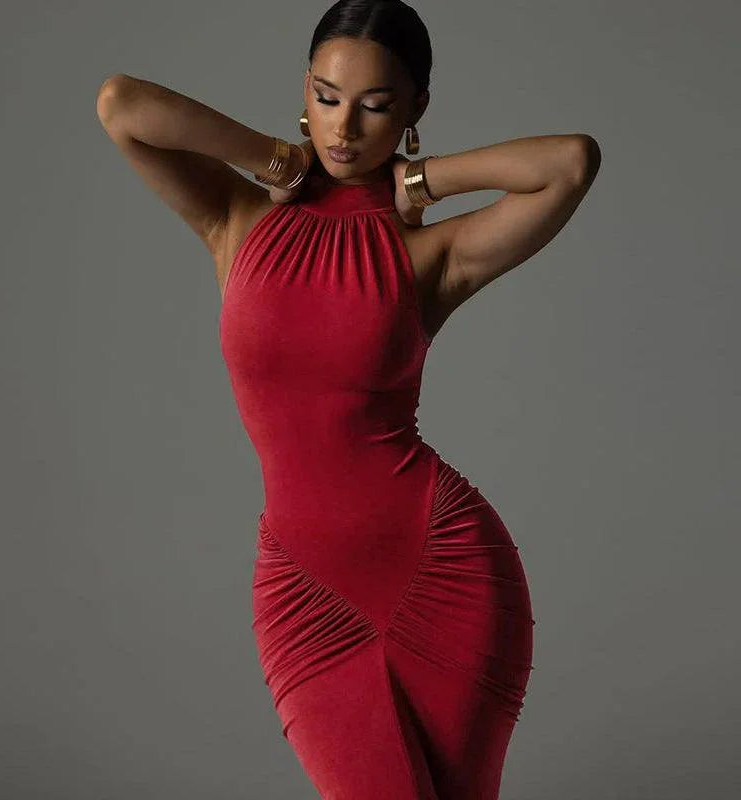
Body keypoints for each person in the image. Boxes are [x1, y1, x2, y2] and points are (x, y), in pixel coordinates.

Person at [97, 1, 600, 796]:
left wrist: (422, 182)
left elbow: (569, 161)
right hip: (305, 591)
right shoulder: (236, 219)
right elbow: (122, 105)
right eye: (328, 97)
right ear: (304, 89)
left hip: (444, 568)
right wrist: (274, 161)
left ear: (413, 112)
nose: (344, 128)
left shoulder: (429, 253)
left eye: (375, 106)